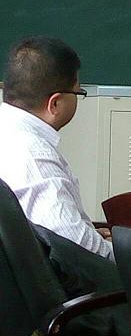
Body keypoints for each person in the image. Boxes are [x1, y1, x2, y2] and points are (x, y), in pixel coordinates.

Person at [0, 36, 114, 260]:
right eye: (79, 93)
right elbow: (78, 248)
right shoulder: (35, 158)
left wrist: (90, 232)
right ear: (55, 103)